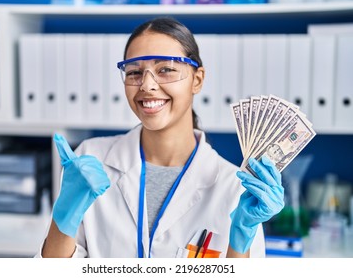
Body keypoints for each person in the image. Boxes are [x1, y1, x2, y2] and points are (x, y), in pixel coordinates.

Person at [36, 16, 284, 258]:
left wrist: (241, 240)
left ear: (197, 80)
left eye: (165, 69)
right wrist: (63, 217)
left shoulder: (234, 187)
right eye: (134, 72)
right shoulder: (90, 160)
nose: (146, 85)